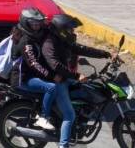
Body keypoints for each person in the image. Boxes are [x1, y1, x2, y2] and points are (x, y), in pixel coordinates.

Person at [36, 13, 117, 148]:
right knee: (69, 115)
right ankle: (63, 145)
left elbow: (82, 49)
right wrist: (76, 75)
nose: (73, 32)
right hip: (57, 81)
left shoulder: (62, 41)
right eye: (70, 30)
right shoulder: (49, 43)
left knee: (85, 89)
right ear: (61, 30)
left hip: (64, 78)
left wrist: (106, 54)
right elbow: (55, 65)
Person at [8, 8, 60, 135]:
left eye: (38, 23)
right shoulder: (25, 40)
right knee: (51, 88)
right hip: (23, 78)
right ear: (26, 23)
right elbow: (33, 64)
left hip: (31, 76)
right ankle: (43, 118)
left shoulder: (33, 35)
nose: (37, 26)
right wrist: (52, 76)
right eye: (33, 23)